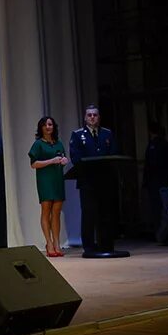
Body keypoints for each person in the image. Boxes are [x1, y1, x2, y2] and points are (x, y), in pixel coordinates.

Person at [69, 104, 119, 254]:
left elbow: (113, 153)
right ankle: (89, 247)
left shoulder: (107, 134)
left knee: (106, 214)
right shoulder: (77, 135)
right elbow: (76, 157)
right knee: (89, 215)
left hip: (105, 181)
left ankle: (106, 245)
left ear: (99, 117)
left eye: (95, 115)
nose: (92, 117)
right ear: (85, 118)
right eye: (89, 115)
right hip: (88, 182)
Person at [29, 116, 68, 257]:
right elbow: (33, 164)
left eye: (50, 124)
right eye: (45, 125)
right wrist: (51, 161)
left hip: (57, 179)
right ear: (41, 128)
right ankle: (49, 242)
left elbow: (63, 157)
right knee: (46, 209)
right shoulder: (38, 144)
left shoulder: (58, 143)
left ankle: (57, 242)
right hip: (45, 180)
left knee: (57, 211)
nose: (48, 127)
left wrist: (64, 161)